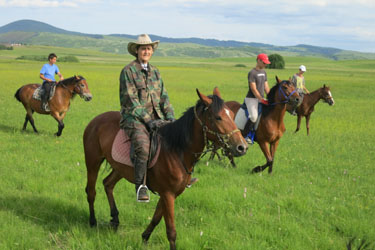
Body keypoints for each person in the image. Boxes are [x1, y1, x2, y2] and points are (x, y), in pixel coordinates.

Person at [119, 34, 197, 202]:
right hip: (134, 118)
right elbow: (131, 101)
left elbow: (164, 98)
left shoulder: (155, 71)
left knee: (180, 138)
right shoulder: (128, 71)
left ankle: (184, 177)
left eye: (148, 48)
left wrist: (170, 119)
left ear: (152, 51)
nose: (146, 51)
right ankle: (141, 186)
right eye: (143, 48)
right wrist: (149, 120)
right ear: (137, 51)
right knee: (143, 146)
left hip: (157, 117)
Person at [244, 53, 271, 144]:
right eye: (264, 63)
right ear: (258, 61)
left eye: (266, 63)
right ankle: (246, 135)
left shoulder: (264, 72)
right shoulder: (252, 73)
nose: (265, 65)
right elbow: (253, 89)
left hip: (261, 98)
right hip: (251, 99)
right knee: (254, 116)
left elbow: (266, 87)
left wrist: (270, 97)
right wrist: (261, 99)